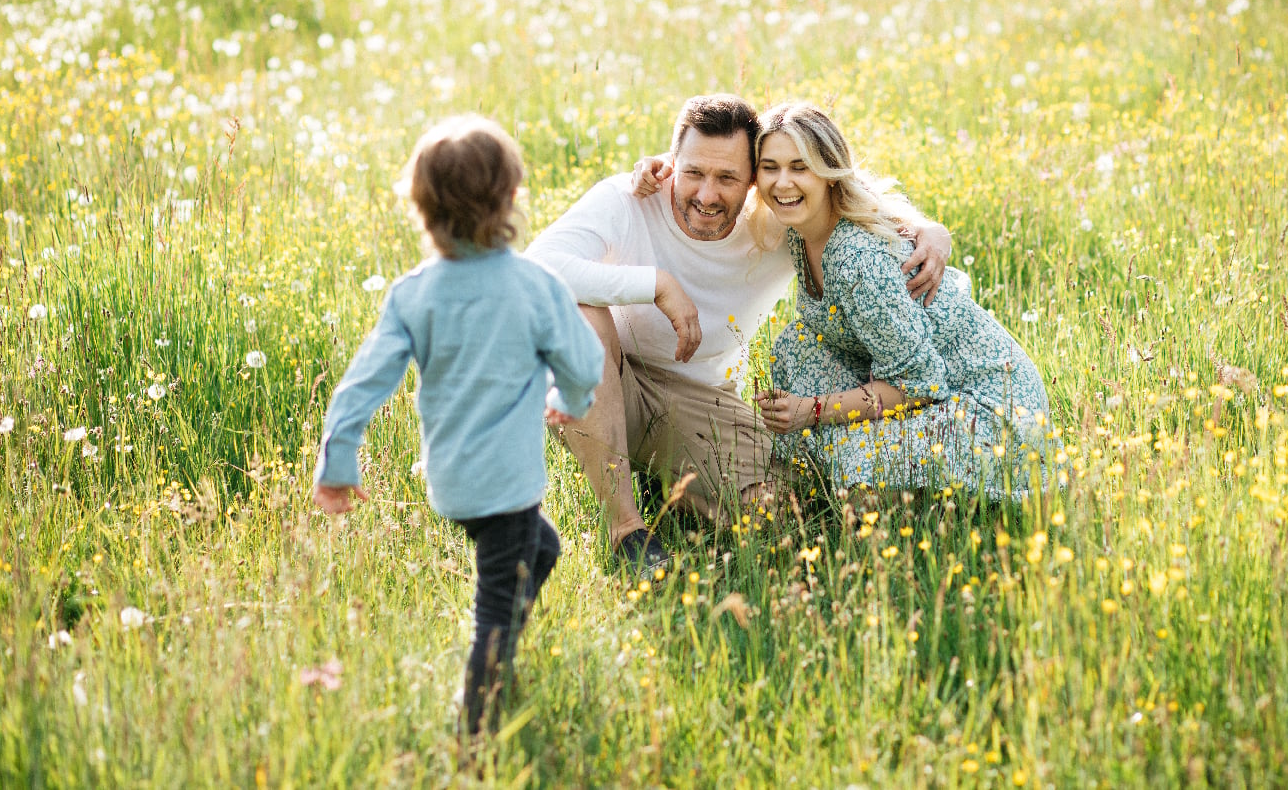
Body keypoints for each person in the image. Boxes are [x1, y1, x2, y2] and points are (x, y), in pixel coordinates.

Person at [525, 94, 952, 575]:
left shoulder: (774, 223)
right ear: (672, 162)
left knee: (779, 514)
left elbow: (844, 198)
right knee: (577, 312)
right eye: (693, 173)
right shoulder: (628, 199)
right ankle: (626, 529)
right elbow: (535, 269)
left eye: (727, 178)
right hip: (609, 373)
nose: (707, 195)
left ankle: (661, 471)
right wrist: (656, 284)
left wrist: (928, 228)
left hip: (698, 399)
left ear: (753, 180)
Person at [311, 115, 604, 737]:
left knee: (543, 550)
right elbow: (585, 362)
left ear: (419, 206)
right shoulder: (534, 286)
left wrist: (337, 468)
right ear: (511, 199)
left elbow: (359, 387)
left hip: (451, 481)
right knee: (496, 606)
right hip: (508, 484)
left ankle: (497, 666)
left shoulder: (414, 295)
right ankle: (478, 729)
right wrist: (570, 400)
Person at [750, 102, 1049, 498]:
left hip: (990, 406)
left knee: (852, 458)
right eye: (770, 167)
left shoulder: (856, 258)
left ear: (829, 174)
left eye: (800, 167)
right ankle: (823, 483)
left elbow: (921, 384)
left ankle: (916, 508)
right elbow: (716, 169)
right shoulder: (801, 227)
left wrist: (814, 409)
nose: (783, 182)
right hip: (928, 384)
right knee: (798, 346)